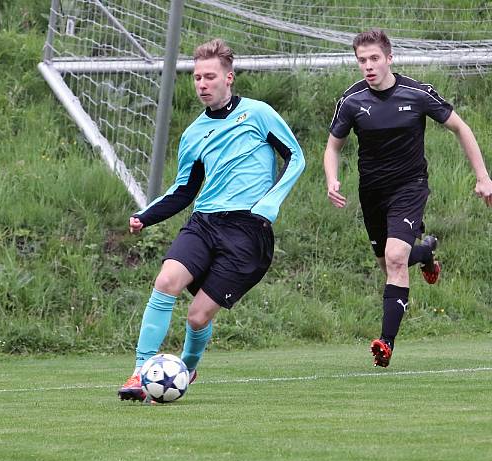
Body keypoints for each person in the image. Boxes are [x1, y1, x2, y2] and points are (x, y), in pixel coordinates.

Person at [118, 39, 306, 401]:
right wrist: (146, 215)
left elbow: (296, 159)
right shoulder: (193, 134)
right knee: (166, 281)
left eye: (209, 77)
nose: (202, 84)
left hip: (248, 232)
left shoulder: (258, 114)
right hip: (204, 223)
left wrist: (270, 202)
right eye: (196, 77)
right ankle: (140, 372)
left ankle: (187, 367)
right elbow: (184, 189)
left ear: (228, 78)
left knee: (197, 318)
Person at [324, 29, 492, 368]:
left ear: (389, 58)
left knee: (396, 257)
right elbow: (333, 146)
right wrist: (332, 179)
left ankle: (385, 344)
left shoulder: (417, 93)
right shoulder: (352, 100)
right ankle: (426, 252)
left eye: (374, 59)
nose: (368, 66)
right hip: (371, 192)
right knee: (388, 264)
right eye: (362, 60)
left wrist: (483, 176)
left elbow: (462, 128)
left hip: (409, 187)